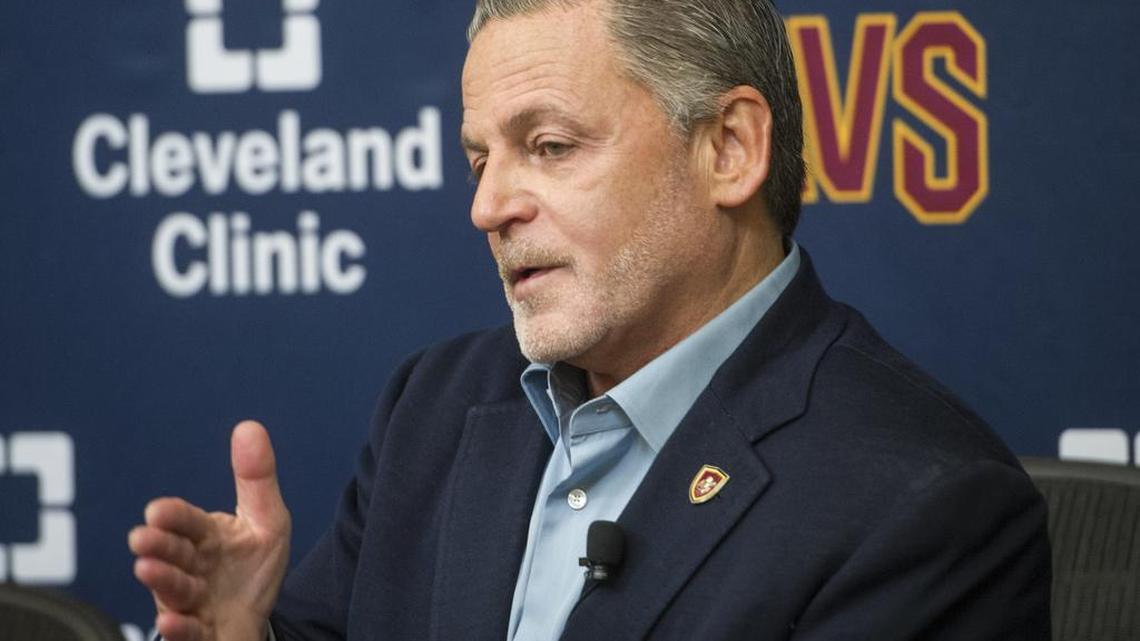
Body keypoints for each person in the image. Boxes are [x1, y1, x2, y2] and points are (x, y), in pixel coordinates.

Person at [129, 0, 1052, 639]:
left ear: (728, 149)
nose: (489, 206)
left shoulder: (927, 508)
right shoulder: (435, 406)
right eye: (478, 160)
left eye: (549, 146)